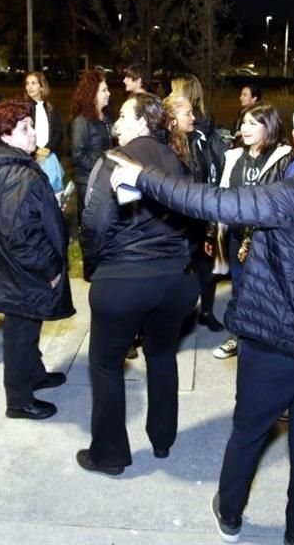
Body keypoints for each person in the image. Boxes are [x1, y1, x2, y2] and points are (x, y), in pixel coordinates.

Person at [107, 100, 294, 545]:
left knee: (249, 431)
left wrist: (144, 177)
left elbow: (219, 202)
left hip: (277, 341)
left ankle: (231, 514)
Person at [75, 92, 197, 475]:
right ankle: (163, 440)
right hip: (175, 282)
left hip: (124, 281)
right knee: (161, 355)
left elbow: (94, 221)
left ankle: (109, 455)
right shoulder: (179, 162)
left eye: (124, 117)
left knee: (106, 363)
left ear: (144, 122)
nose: (117, 125)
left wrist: (97, 266)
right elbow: (196, 217)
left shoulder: (115, 160)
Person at [0, 99, 74, 418]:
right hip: (22, 272)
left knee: (27, 328)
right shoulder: (16, 175)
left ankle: (34, 375)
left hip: (7, 268)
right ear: (6, 135)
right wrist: (51, 269)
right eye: (25, 128)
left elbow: (13, 219)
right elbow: (22, 237)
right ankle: (19, 400)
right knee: (19, 335)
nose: (33, 134)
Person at [213, 103, 293, 360]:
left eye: (251, 123)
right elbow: (222, 195)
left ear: (267, 126)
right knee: (239, 286)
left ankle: (264, 340)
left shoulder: (284, 157)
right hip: (237, 235)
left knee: (266, 288)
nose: (243, 128)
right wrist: (213, 232)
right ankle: (237, 336)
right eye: (243, 122)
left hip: (267, 238)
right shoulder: (234, 156)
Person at [165, 93, 223, 332]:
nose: (193, 117)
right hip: (176, 224)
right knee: (175, 275)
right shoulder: (164, 147)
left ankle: (206, 312)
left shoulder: (198, 141)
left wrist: (209, 223)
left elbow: (206, 177)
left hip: (198, 217)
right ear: (172, 119)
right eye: (187, 113)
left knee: (206, 267)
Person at [70, 70, 112, 228]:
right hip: (88, 182)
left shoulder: (106, 117)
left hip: (103, 180)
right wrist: (100, 168)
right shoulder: (81, 121)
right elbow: (78, 155)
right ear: (92, 94)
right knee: (90, 225)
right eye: (104, 90)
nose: (109, 93)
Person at [24, 71, 64, 157]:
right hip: (30, 157)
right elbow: (22, 134)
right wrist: (37, 151)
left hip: (49, 155)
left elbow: (58, 133)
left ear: (42, 87)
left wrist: (47, 149)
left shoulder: (51, 108)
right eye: (27, 84)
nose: (29, 87)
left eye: (33, 83)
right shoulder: (23, 109)